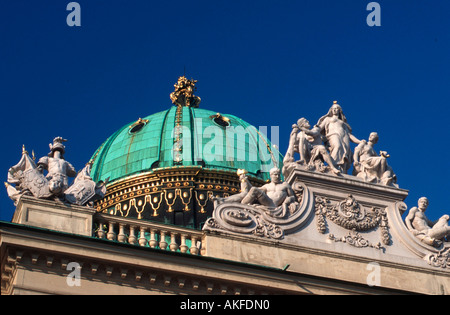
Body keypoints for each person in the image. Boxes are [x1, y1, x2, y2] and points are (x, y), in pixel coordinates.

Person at [316, 101, 360, 174]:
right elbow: (319, 129)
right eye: (333, 108)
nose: (335, 110)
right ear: (331, 110)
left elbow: (349, 135)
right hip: (333, 134)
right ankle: (333, 166)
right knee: (337, 146)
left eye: (337, 108)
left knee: (345, 153)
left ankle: (342, 170)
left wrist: (359, 141)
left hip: (344, 137)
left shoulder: (343, 123)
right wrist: (310, 131)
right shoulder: (327, 119)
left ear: (339, 111)